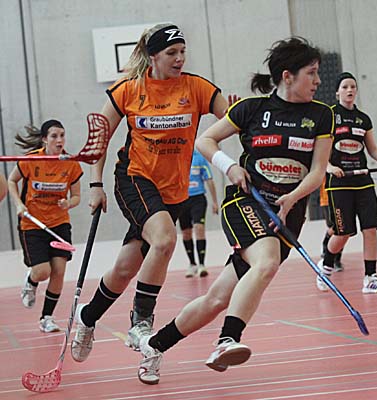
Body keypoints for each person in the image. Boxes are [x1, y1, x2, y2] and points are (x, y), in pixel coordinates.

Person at [134, 36, 333, 385]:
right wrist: (230, 167)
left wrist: (292, 197)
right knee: (266, 262)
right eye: (311, 73)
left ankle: (154, 345)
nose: (317, 81)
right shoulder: (252, 109)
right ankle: (227, 340)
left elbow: (317, 172)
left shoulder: (321, 115)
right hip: (246, 202)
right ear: (287, 76)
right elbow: (205, 140)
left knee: (216, 299)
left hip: (288, 213)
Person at [69, 23, 232, 362]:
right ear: (153, 56)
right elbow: (100, 140)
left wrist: (242, 112)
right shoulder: (128, 89)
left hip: (173, 191)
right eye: (172, 53)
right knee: (165, 239)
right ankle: (141, 322)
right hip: (135, 178)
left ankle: (87, 315)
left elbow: (233, 118)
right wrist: (96, 185)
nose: (179, 58)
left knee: (125, 269)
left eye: (182, 52)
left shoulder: (197, 87)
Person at [316, 72, 377, 294]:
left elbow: (373, 149)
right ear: (337, 92)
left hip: (363, 182)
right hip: (339, 183)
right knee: (342, 234)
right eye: (345, 87)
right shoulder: (329, 116)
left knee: (370, 229)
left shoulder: (363, 119)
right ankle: (326, 265)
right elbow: (319, 150)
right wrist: (329, 167)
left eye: (353, 86)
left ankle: (370, 278)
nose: (349, 90)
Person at [6, 120, 83, 332]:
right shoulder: (32, 160)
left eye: (62, 135)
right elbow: (11, 181)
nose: (59, 140)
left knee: (58, 271)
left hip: (59, 224)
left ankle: (46, 318)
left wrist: (68, 203)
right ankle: (31, 281)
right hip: (32, 224)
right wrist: (19, 204)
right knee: (42, 272)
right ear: (44, 139)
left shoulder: (71, 164)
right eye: (54, 136)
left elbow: (77, 196)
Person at [180, 148, 218, 278]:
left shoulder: (199, 158)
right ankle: (192, 264)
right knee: (186, 233)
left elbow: (209, 179)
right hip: (181, 200)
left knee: (199, 228)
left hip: (198, 198)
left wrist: (215, 201)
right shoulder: (177, 157)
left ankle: (202, 264)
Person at [318, 179, 344, 271]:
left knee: (343, 229)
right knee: (335, 228)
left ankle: (336, 259)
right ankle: (327, 250)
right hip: (327, 199)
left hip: (342, 199)